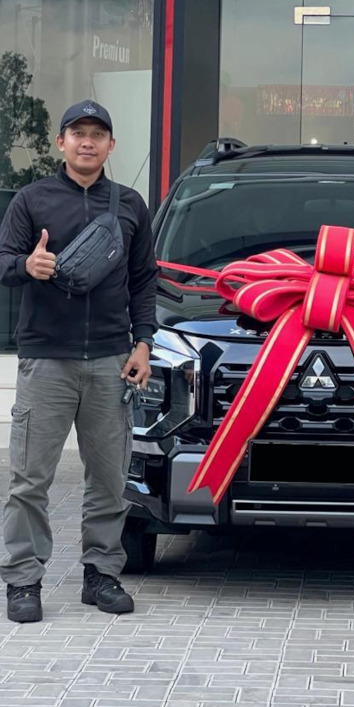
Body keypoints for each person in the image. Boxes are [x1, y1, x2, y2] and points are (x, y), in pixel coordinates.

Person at [0, 100, 157, 623]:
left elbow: (144, 281)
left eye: (97, 134)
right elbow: (3, 261)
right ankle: (23, 580)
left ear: (111, 145)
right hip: (46, 359)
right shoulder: (31, 199)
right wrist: (27, 264)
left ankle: (101, 574)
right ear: (60, 142)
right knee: (29, 480)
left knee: (109, 479)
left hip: (112, 359)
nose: (87, 141)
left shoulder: (130, 204)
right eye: (77, 133)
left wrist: (143, 343)